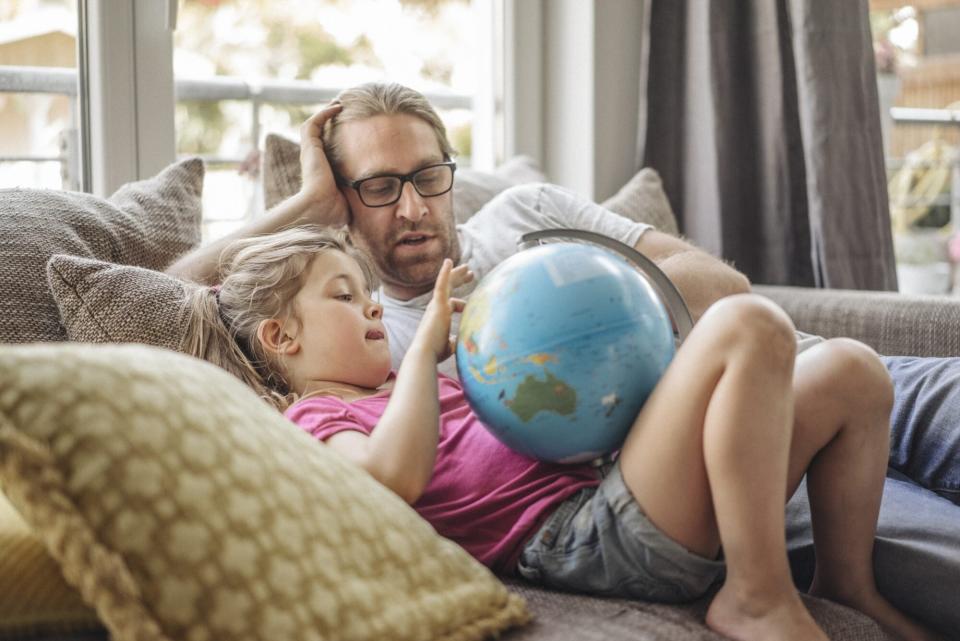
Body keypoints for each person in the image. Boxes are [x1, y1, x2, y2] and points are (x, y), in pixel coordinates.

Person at [167, 82, 960, 636]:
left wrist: (593, 307)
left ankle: (844, 587)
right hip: (621, 499)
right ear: (344, 202)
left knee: (857, 367)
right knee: (754, 329)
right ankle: (757, 595)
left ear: (451, 174)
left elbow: (722, 288)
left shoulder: (522, 214)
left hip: (744, 410)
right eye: (377, 187)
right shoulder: (385, 349)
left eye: (426, 177)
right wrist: (310, 208)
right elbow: (180, 297)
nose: (411, 206)